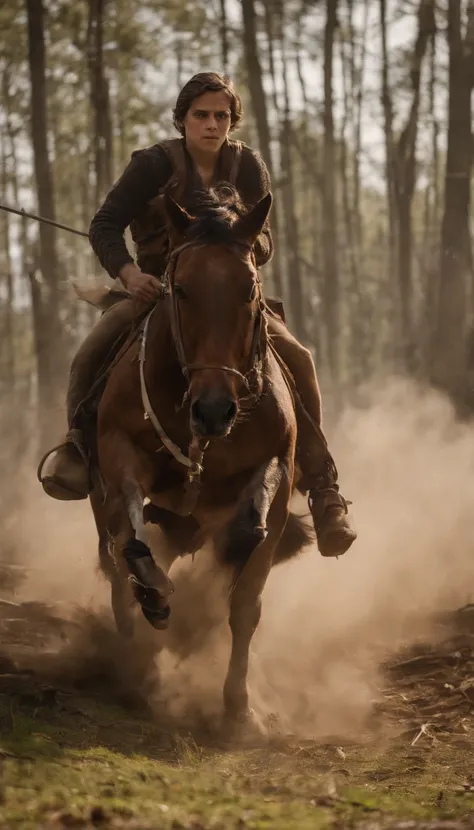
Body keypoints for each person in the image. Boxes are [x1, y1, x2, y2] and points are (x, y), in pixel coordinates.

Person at [40, 72, 356, 559]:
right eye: (201, 115)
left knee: (300, 357)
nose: (211, 125)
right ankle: (78, 450)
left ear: (232, 121)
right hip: (156, 291)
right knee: (92, 350)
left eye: (221, 116)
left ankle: (322, 484)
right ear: (182, 118)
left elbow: (265, 239)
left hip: (229, 299)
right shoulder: (150, 165)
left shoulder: (247, 164)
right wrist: (127, 273)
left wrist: (230, 239)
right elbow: (104, 224)